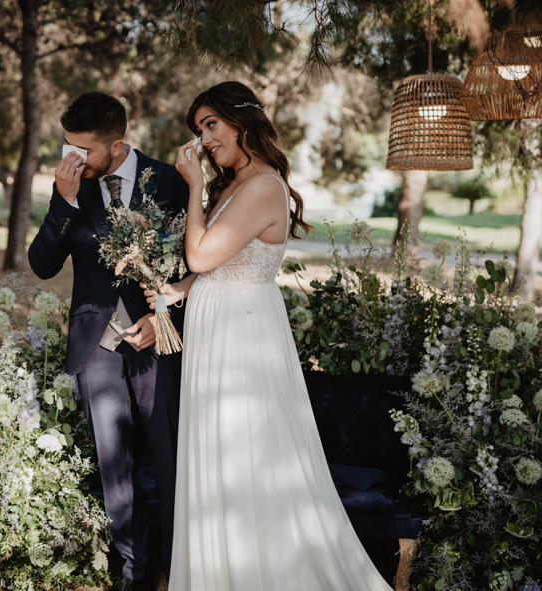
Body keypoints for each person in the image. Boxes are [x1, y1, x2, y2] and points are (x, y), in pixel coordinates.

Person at [143, 81, 395, 591]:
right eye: (199, 130)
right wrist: (180, 290)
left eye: (211, 125)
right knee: (218, 455)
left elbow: (201, 254)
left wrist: (192, 186)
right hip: (217, 330)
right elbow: (219, 262)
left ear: (242, 121)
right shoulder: (235, 184)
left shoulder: (263, 186)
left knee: (243, 455)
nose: (204, 139)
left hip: (241, 340)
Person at [28, 92, 190, 591]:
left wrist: (165, 316)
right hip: (96, 345)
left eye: (82, 149)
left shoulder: (171, 181)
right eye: (66, 145)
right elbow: (42, 264)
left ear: (117, 145)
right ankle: (134, 574)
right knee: (114, 465)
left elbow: (197, 263)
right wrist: (65, 200)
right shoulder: (72, 185)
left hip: (158, 341)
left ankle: (179, 569)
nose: (71, 157)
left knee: (171, 459)